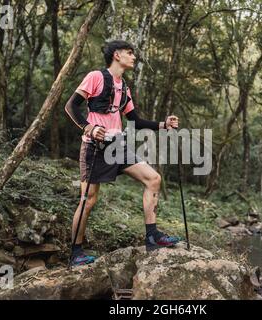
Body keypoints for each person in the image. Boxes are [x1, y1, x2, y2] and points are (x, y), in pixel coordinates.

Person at [64, 40, 181, 267]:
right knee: (88, 200)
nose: (134, 57)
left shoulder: (124, 88)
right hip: (94, 148)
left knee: (154, 179)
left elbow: (136, 122)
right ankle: (75, 253)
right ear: (117, 55)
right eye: (130, 53)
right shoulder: (96, 77)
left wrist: (164, 124)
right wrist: (89, 127)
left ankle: (152, 237)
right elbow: (71, 106)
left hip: (118, 147)